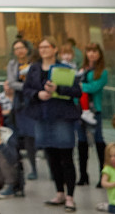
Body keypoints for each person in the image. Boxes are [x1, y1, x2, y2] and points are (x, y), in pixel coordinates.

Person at [23, 37, 81, 212]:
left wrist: (59, 90)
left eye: (46, 47)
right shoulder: (34, 69)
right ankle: (59, 192)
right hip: (43, 116)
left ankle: (70, 196)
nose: (43, 50)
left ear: (55, 49)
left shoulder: (65, 69)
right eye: (40, 47)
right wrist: (38, 94)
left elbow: (77, 91)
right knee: (51, 156)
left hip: (62, 116)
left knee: (66, 157)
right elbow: (26, 89)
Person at [7, 38, 39, 181]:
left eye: (21, 48)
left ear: (27, 49)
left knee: (35, 135)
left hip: (33, 102)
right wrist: (27, 86)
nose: (19, 51)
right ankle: (32, 169)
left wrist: (28, 86)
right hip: (19, 103)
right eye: (16, 49)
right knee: (25, 137)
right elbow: (12, 83)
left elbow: (37, 82)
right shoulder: (12, 64)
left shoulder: (34, 64)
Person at [77, 42, 108, 186]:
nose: (92, 54)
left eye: (95, 51)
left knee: (98, 140)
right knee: (82, 142)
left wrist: (81, 86)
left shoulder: (102, 71)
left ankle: (103, 176)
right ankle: (83, 175)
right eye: (89, 51)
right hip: (80, 110)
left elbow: (94, 87)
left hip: (95, 110)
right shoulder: (82, 69)